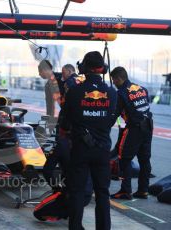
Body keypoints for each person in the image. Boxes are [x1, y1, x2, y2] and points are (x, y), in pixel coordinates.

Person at [60, 51, 117, 230]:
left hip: (80, 149)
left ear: (83, 68)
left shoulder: (74, 91)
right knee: (102, 193)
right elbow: (111, 120)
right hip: (102, 150)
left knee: (76, 191)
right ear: (103, 69)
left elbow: (65, 122)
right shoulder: (112, 93)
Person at [110, 66, 153, 200]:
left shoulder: (121, 93)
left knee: (124, 159)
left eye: (114, 80)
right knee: (144, 160)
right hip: (148, 126)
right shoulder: (141, 89)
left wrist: (104, 126)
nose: (113, 83)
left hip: (135, 129)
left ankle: (125, 191)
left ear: (119, 78)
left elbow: (115, 114)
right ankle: (143, 190)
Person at [38, 60, 60, 132]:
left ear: (44, 70)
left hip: (64, 119)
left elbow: (50, 106)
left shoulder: (48, 85)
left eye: (40, 71)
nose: (39, 74)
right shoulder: (62, 76)